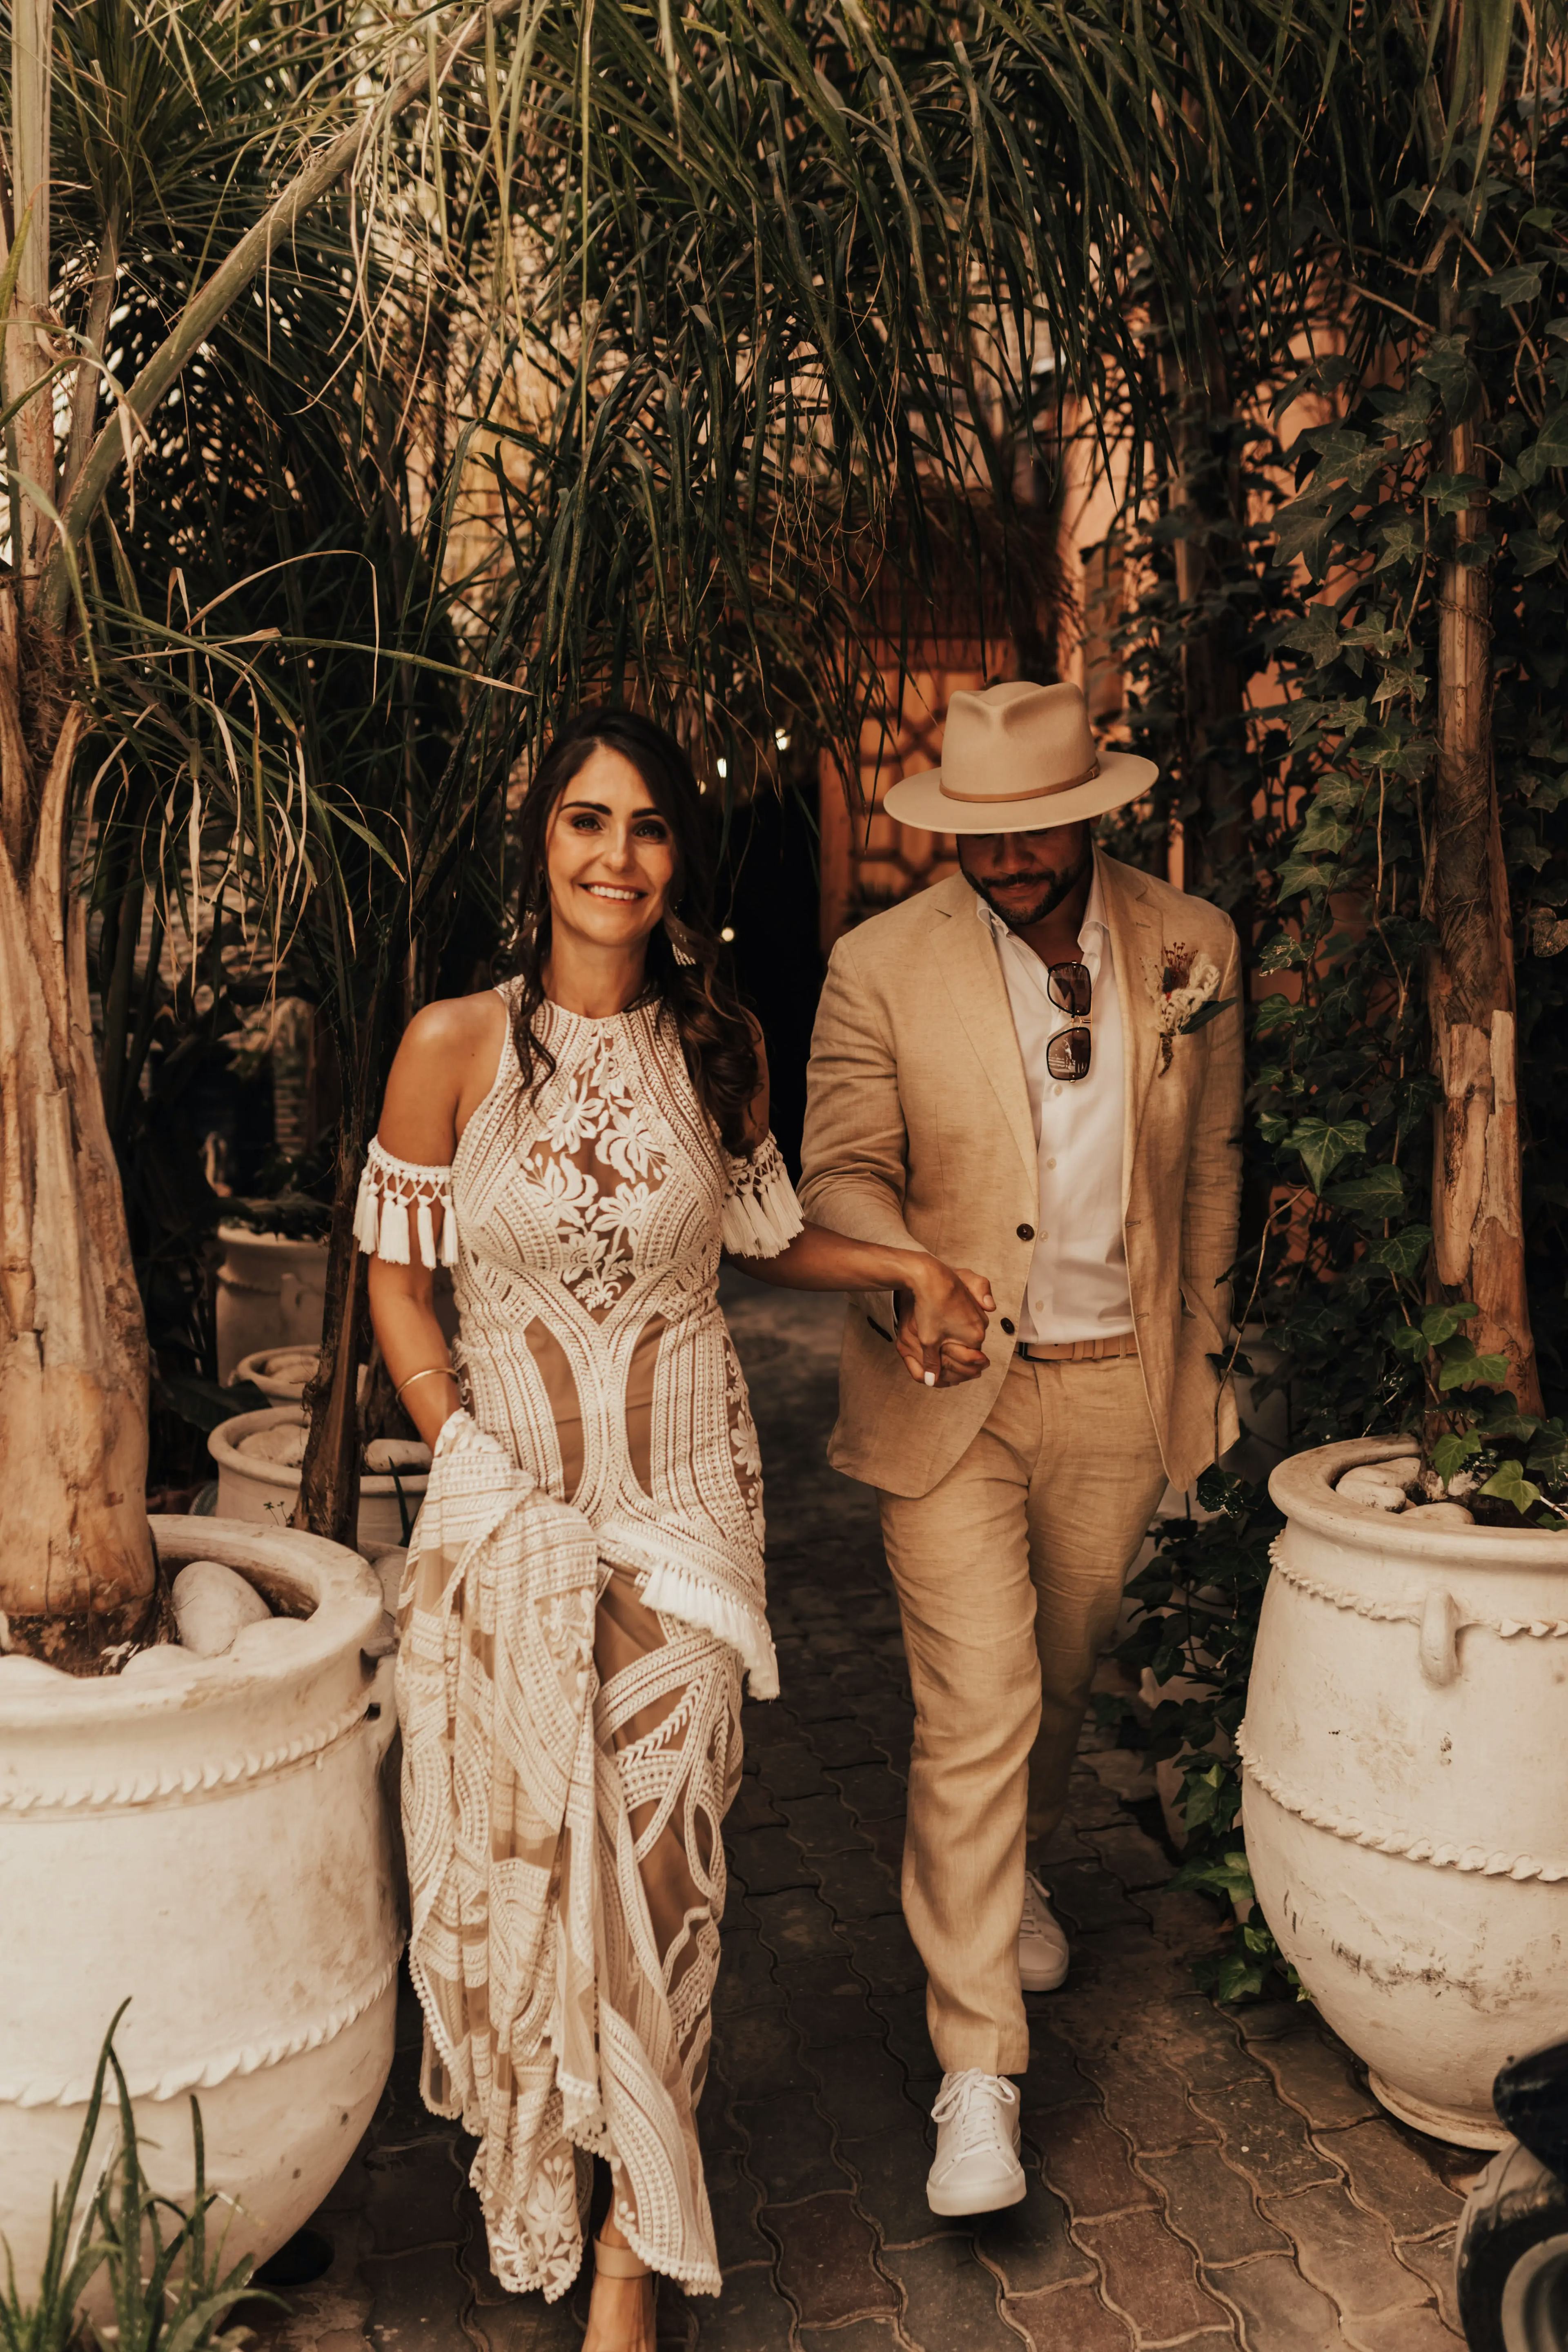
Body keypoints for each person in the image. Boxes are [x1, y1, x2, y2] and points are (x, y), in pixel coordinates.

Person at [359, 708, 990, 2352]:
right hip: (515, 1519)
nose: (614, 855)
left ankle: (638, 2256)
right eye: (586, 821)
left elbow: (766, 1238)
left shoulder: (722, 1047)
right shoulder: (452, 1048)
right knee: (542, 1867)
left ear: (678, 860)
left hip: (692, 1509)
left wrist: (909, 1266)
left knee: (660, 1862)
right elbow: (394, 1268)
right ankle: (586, 2159)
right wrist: (460, 1450)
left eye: (645, 828)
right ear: (541, 846)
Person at [798, 678, 1243, 2218]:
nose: (1004, 862)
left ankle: (1020, 1871)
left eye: (1032, 832)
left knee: (1057, 1679)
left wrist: (1208, 1363)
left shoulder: (1193, 947)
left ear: (1092, 811)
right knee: (977, 1703)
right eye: (975, 838)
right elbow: (839, 1178)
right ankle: (978, 2072)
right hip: (950, 1394)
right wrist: (911, 1275)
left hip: (1123, 1380)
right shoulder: (877, 967)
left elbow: (1215, 1173)